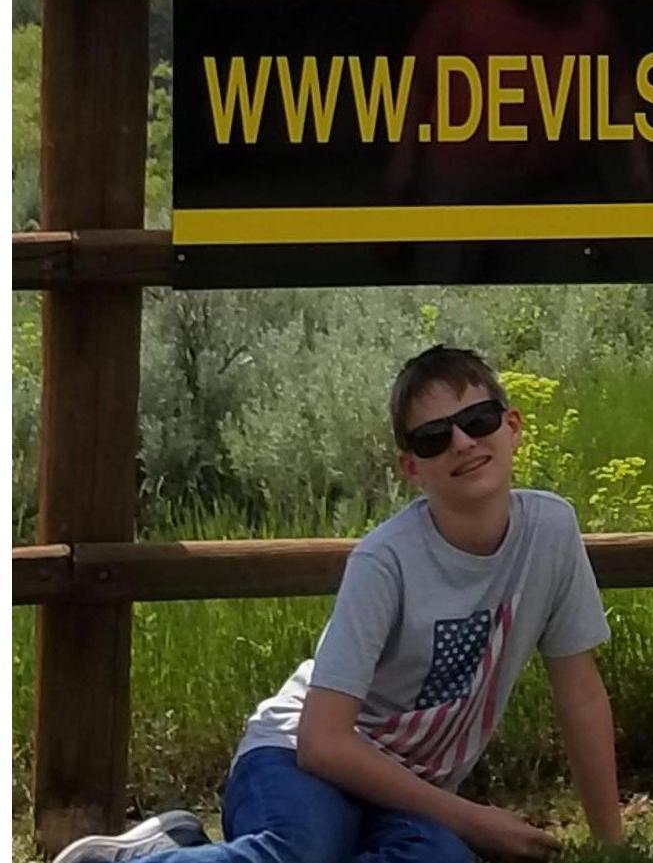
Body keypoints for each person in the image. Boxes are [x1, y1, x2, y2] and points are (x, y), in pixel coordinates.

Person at [56, 345, 623, 863]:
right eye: (433, 437)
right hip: (295, 756)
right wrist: (473, 819)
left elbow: (579, 687)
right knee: (299, 851)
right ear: (410, 467)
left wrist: (609, 842)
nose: (462, 443)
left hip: (408, 793)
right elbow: (321, 742)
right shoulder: (387, 561)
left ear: (513, 426)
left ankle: (182, 847)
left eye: (478, 421)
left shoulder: (550, 529)